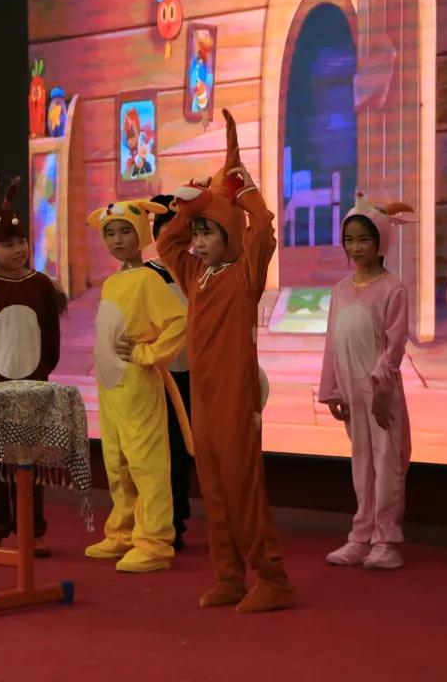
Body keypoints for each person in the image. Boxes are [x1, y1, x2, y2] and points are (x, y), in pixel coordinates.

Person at [157, 109, 295, 612]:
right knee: (213, 487)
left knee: (241, 487)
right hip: (205, 398)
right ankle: (230, 577)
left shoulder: (243, 274)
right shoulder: (197, 275)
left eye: (207, 234)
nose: (196, 243)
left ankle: (273, 577)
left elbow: (263, 228)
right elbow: (166, 241)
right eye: (197, 234)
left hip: (235, 397)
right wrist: (192, 206)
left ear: (229, 236)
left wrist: (243, 190)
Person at [85, 198, 189, 573]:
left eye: (125, 232)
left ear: (142, 234)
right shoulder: (112, 282)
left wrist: (148, 353)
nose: (117, 240)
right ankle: (123, 532)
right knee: (117, 463)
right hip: (112, 389)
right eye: (110, 233)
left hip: (139, 387)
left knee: (147, 464)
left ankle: (155, 541)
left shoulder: (148, 279)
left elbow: (179, 321)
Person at [318, 194, 414, 570]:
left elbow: (394, 344)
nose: (355, 247)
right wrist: (332, 390)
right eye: (350, 240)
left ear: (380, 242)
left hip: (380, 393)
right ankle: (360, 536)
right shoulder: (341, 290)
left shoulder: (393, 289)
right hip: (351, 393)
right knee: (361, 462)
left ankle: (386, 539)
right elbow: (332, 342)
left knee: (386, 462)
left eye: (363, 239)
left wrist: (381, 387)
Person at [0, 175, 65, 556]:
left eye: (21, 242)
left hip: (31, 384)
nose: (18, 250)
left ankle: (31, 529)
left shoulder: (41, 285)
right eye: (7, 245)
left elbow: (51, 335)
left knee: (29, 461)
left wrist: (42, 370)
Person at [145, 196, 194, 552]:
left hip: (195, 371)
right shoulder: (147, 275)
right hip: (159, 374)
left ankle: (179, 516)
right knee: (164, 449)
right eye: (167, 232)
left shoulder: (197, 271)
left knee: (186, 450)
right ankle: (164, 521)